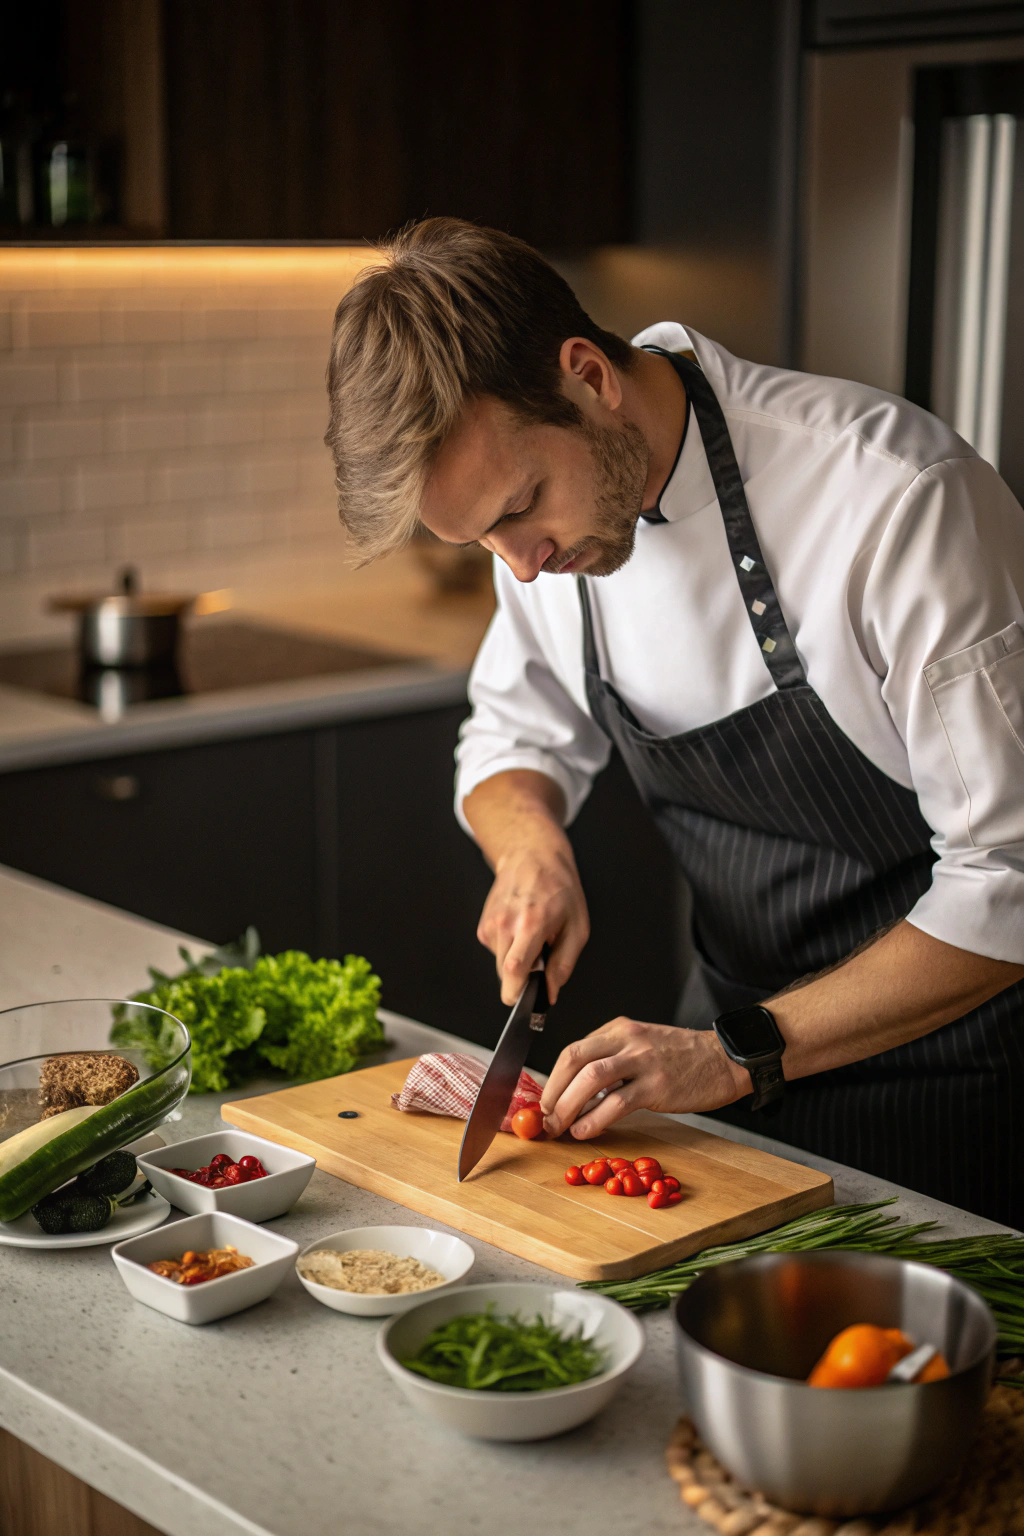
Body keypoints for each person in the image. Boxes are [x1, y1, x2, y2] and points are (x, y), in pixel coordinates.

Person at [324, 217, 1024, 1226]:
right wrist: (530, 853)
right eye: (482, 538)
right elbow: (512, 735)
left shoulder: (896, 499)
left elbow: (1008, 883)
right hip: (719, 1068)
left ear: (587, 378)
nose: (518, 566)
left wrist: (735, 1053)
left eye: (521, 508)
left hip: (952, 1090)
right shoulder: (543, 544)